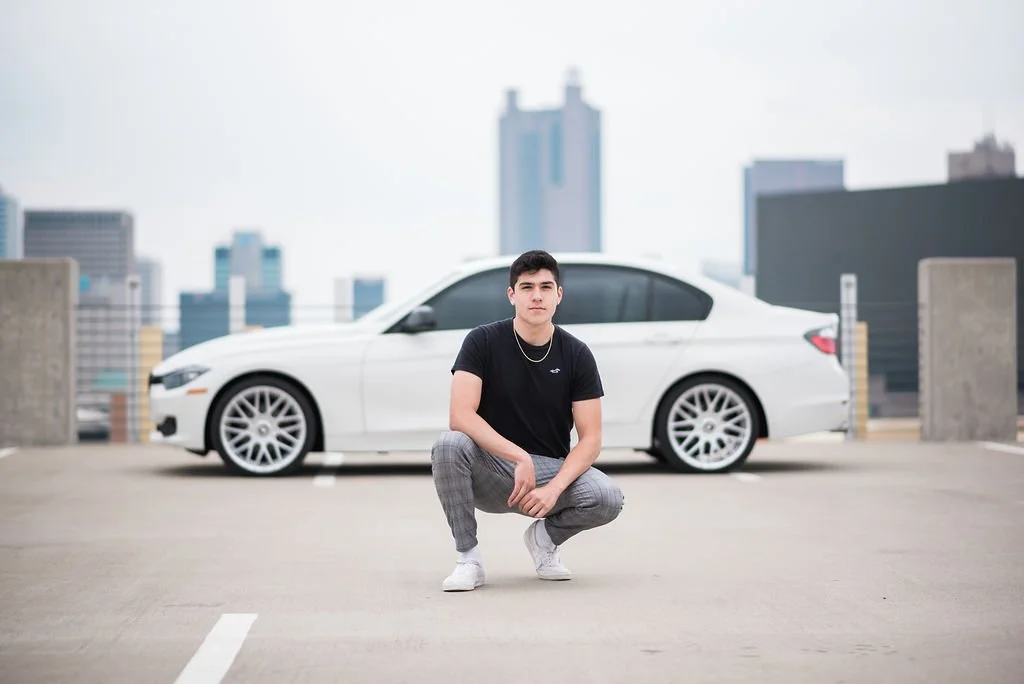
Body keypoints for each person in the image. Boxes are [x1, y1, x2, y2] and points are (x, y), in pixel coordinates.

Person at [430, 249, 624, 592]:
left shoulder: (577, 353)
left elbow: (591, 439)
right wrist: (518, 457)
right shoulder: (482, 341)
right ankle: (468, 559)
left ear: (558, 295)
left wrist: (554, 488)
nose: (537, 296)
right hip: (491, 468)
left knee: (607, 496)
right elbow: (460, 415)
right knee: (448, 444)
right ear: (512, 294)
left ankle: (544, 540)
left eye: (546, 287)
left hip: (547, 471)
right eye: (527, 287)